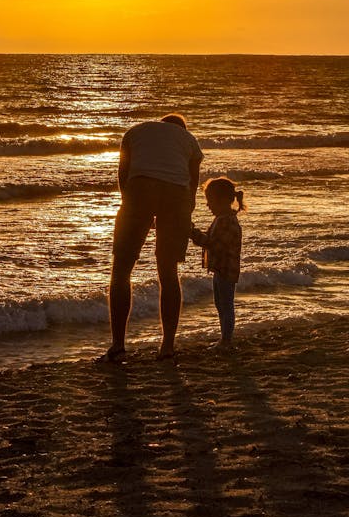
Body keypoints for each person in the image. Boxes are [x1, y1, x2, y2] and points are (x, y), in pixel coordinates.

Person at [100, 113, 203, 363]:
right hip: (176, 194)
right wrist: (182, 217)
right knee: (168, 271)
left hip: (139, 188)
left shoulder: (135, 132)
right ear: (181, 128)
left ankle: (118, 345)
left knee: (121, 270)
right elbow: (192, 186)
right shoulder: (189, 139)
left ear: (161, 123)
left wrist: (132, 208)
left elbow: (123, 176)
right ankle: (167, 347)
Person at [189, 177, 245, 350]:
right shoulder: (222, 218)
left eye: (210, 201)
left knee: (226, 305)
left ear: (221, 200)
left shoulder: (225, 221)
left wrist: (192, 233)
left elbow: (212, 244)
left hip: (226, 269)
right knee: (221, 303)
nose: (208, 205)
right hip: (221, 269)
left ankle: (226, 341)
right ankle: (224, 338)